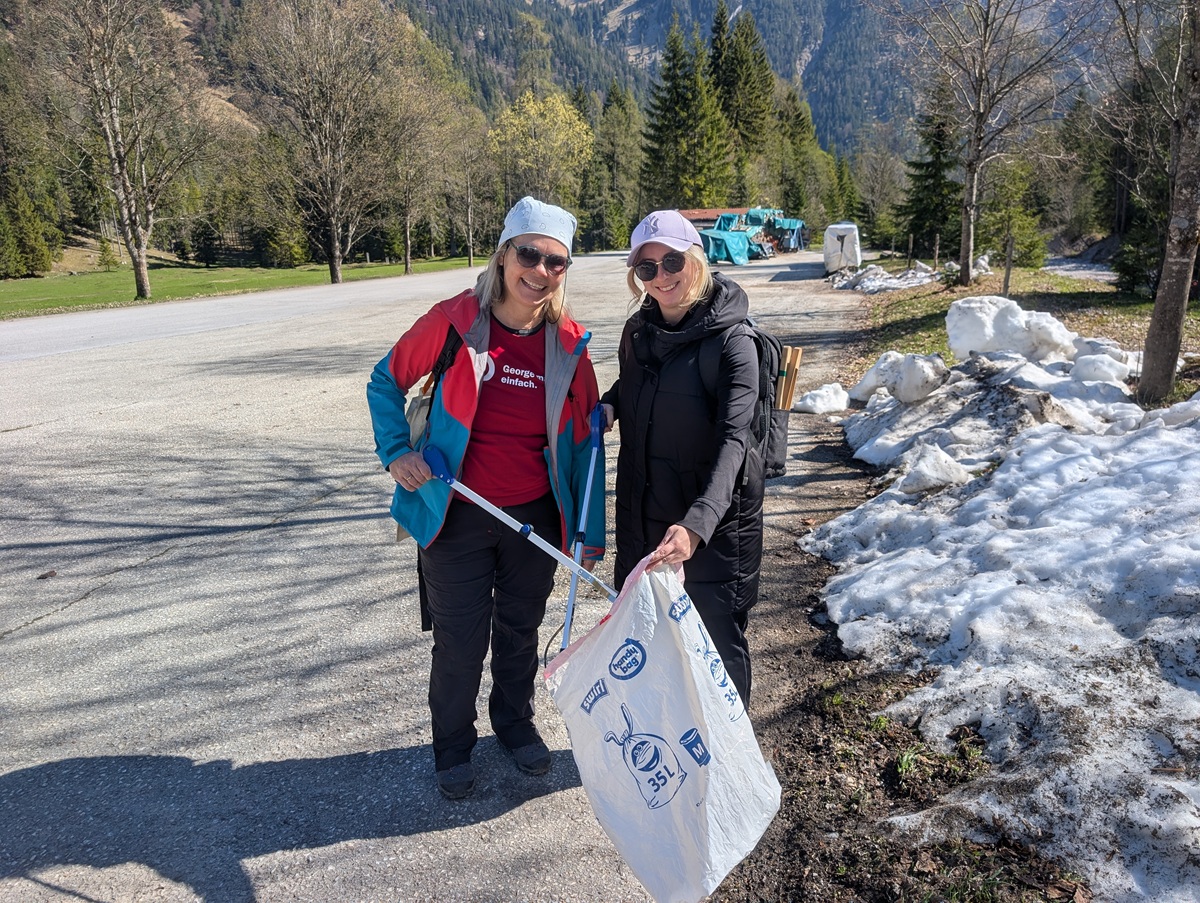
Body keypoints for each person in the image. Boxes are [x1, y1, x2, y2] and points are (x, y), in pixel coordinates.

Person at [367, 197, 605, 800]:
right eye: (529, 254)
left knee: (520, 629)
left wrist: (589, 529)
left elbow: (585, 446)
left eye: (556, 261)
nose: (541, 271)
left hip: (535, 518)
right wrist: (396, 452)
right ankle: (452, 746)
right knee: (461, 639)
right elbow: (384, 379)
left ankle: (516, 725)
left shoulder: (568, 345)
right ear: (504, 256)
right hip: (456, 513)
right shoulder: (452, 323)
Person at [600, 209, 764, 707]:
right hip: (643, 526)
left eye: (672, 260)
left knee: (716, 655)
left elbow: (736, 440)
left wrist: (697, 525)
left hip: (713, 532)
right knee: (653, 646)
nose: (662, 276)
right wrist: (610, 402)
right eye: (646, 269)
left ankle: (730, 766)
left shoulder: (734, 343)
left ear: (697, 258)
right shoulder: (638, 332)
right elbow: (638, 387)